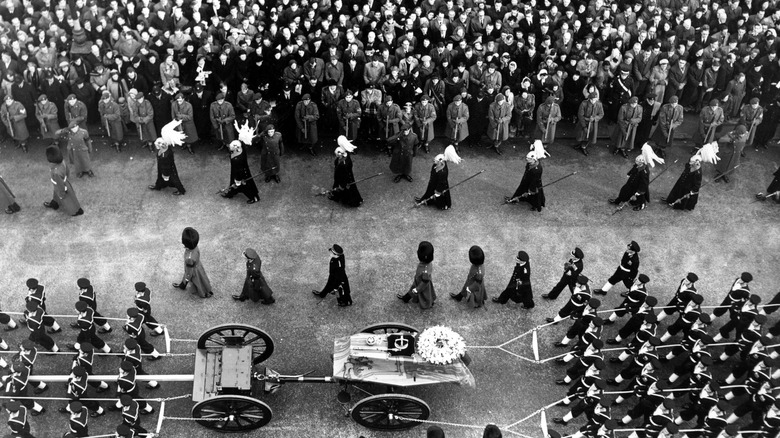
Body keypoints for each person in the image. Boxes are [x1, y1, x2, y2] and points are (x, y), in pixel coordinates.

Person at [415, 145, 461, 210]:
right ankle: (425, 200)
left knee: (439, 197)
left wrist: (438, 191)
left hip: (439, 185)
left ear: (440, 162)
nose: (434, 161)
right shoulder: (437, 165)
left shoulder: (443, 172)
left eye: (436, 161)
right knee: (429, 191)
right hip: (433, 182)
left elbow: (441, 183)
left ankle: (443, 205)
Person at [173, 227, 213, 298]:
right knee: (202, 279)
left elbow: (189, 272)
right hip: (198, 266)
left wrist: (186, 279)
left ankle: (203, 294)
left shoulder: (189, 258)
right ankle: (207, 289)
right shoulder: (195, 247)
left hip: (193, 271)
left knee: (198, 282)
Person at [43, 145, 83, 216]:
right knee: (60, 195)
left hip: (60, 186)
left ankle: (74, 211)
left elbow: (60, 186)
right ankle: (55, 203)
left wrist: (62, 194)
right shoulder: (62, 162)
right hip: (64, 182)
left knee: (67, 200)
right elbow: (67, 171)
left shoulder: (55, 172)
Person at [396, 241, 436, 309]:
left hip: (421, 285)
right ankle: (406, 298)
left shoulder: (425, 271)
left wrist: (417, 289)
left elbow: (424, 283)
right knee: (413, 290)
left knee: (425, 295)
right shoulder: (427, 263)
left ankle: (428, 304)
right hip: (418, 281)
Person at [329, 138, 363, 207]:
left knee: (345, 189)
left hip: (343, 177)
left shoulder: (344, 164)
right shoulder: (344, 157)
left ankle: (351, 201)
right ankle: (336, 196)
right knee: (337, 185)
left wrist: (342, 185)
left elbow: (345, 176)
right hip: (340, 175)